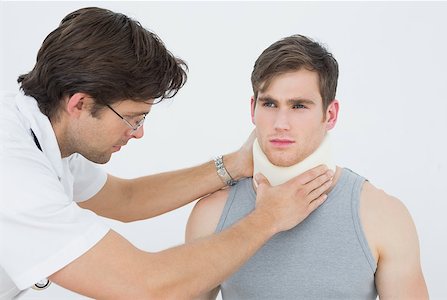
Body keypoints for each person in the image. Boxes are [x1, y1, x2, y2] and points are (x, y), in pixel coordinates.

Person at [0, 8, 335, 299]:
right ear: (80, 104)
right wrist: (268, 218)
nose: (138, 132)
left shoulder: (48, 133)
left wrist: (233, 164)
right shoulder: (14, 174)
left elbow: (125, 199)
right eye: (132, 118)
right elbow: (146, 287)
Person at [186, 34, 428, 299]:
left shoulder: (382, 216)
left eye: (299, 106)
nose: (281, 123)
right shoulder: (212, 214)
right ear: (253, 108)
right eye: (269, 104)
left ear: (330, 114)